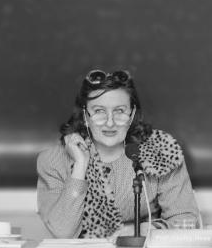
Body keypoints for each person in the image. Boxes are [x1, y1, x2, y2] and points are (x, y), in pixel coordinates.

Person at [37, 69, 199, 238]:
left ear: (132, 114)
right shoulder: (54, 160)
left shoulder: (160, 150)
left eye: (120, 111)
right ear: (85, 116)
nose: (110, 122)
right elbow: (62, 233)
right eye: (99, 111)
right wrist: (79, 167)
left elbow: (185, 220)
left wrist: (139, 231)